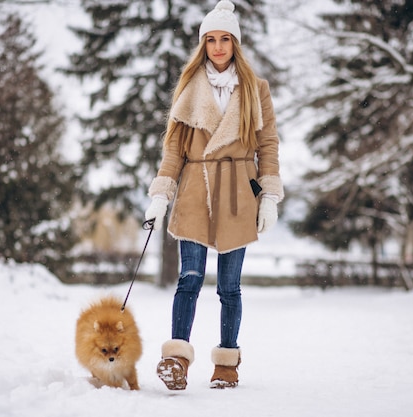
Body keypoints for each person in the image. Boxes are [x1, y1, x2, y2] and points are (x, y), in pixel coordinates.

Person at [145, 0, 283, 390]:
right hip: (194, 189)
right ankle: (176, 360)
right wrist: (161, 194)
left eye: (225, 39)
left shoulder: (256, 90)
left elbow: (267, 143)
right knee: (188, 279)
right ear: (203, 43)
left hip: (239, 191)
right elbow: (173, 150)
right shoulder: (188, 88)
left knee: (229, 287)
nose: (218, 46)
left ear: (235, 43)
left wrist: (269, 195)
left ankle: (226, 364)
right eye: (211, 39)